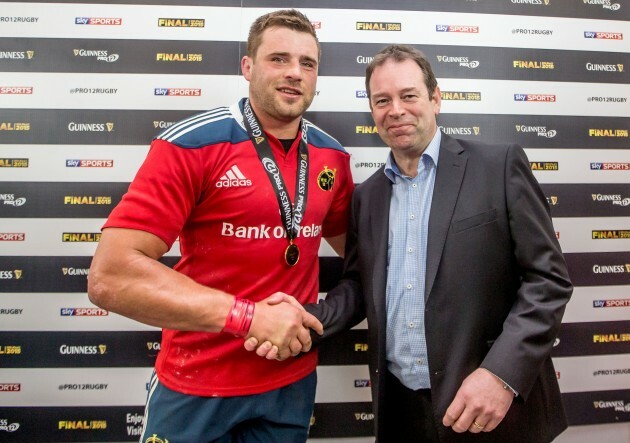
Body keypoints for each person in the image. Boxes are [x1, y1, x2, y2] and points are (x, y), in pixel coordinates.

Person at [252, 44, 573, 442]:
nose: (396, 110)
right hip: (401, 409)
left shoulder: (499, 166)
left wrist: (501, 376)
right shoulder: (367, 197)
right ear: (371, 111)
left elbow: (548, 281)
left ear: (435, 98)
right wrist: (306, 319)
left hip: (489, 408)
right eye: (382, 100)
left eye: (409, 96)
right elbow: (356, 287)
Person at [87, 9, 353, 442]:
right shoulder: (191, 143)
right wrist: (247, 318)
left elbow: (364, 261)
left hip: (291, 380)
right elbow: (110, 276)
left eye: (308, 63)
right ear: (247, 67)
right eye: (278, 59)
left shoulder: (332, 157)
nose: (294, 73)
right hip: (197, 382)